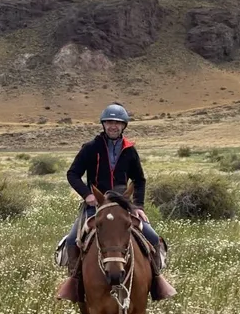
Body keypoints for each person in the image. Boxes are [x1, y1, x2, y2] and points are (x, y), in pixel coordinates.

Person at [55, 103, 177, 303]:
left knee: (153, 238)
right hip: (95, 205)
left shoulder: (130, 150)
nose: (113, 126)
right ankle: (76, 285)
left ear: (124, 126)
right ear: (103, 124)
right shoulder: (90, 148)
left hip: (123, 206)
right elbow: (73, 174)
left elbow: (139, 180)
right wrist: (87, 195)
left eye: (118, 123)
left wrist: (137, 207)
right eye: (109, 122)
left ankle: (156, 282)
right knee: (71, 241)